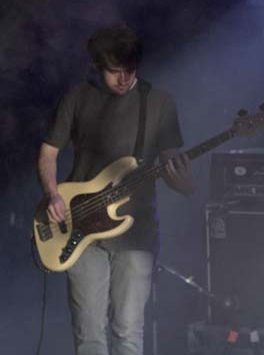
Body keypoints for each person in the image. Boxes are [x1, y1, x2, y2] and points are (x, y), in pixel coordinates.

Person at [37, 24, 196, 355]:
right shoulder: (78, 98)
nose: (124, 79)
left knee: (127, 330)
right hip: (79, 228)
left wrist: (183, 182)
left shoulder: (159, 102)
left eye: (130, 70)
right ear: (97, 66)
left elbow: (172, 167)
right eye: (115, 71)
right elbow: (48, 152)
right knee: (89, 333)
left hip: (135, 231)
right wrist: (53, 194)